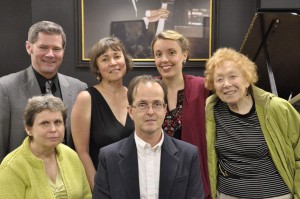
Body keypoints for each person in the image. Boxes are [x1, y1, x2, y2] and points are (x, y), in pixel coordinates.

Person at [204, 47, 300, 199]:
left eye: (233, 76)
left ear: (247, 80)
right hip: (226, 194)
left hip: (274, 195)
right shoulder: (211, 111)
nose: (226, 84)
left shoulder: (276, 108)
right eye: (219, 79)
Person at [93, 75, 204, 199]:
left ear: (165, 110)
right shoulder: (109, 157)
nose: (150, 112)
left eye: (157, 104)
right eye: (142, 105)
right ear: (130, 111)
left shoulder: (188, 155)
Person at [0, 21, 87, 162]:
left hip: (68, 178)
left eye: (56, 49)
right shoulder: (5, 87)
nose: (50, 54)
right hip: (23, 179)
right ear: (29, 47)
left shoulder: (79, 89)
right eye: (43, 47)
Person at [151, 29, 210, 198]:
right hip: (155, 179)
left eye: (171, 53)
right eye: (158, 54)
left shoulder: (203, 87)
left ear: (184, 55)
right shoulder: (147, 88)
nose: (164, 60)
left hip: (194, 177)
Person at [71, 36, 134, 190]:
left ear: (125, 61)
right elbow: (82, 153)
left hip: (134, 183)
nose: (113, 63)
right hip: (104, 184)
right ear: (97, 67)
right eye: (105, 59)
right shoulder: (86, 98)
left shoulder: (134, 95)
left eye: (117, 56)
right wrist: (98, 190)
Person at [0, 95, 92, 198]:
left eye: (57, 122)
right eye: (45, 123)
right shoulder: (11, 167)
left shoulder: (71, 155)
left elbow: (86, 196)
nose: (53, 129)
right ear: (28, 129)